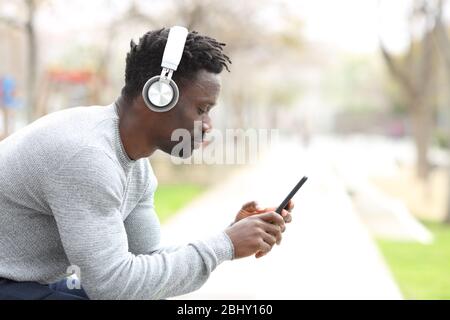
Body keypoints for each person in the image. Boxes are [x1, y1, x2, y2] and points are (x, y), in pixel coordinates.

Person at [0, 27, 294, 300]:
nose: (208, 126)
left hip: (26, 283)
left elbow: (147, 262)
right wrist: (224, 245)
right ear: (157, 96)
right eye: (201, 109)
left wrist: (231, 234)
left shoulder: (134, 164)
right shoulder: (87, 157)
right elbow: (112, 285)